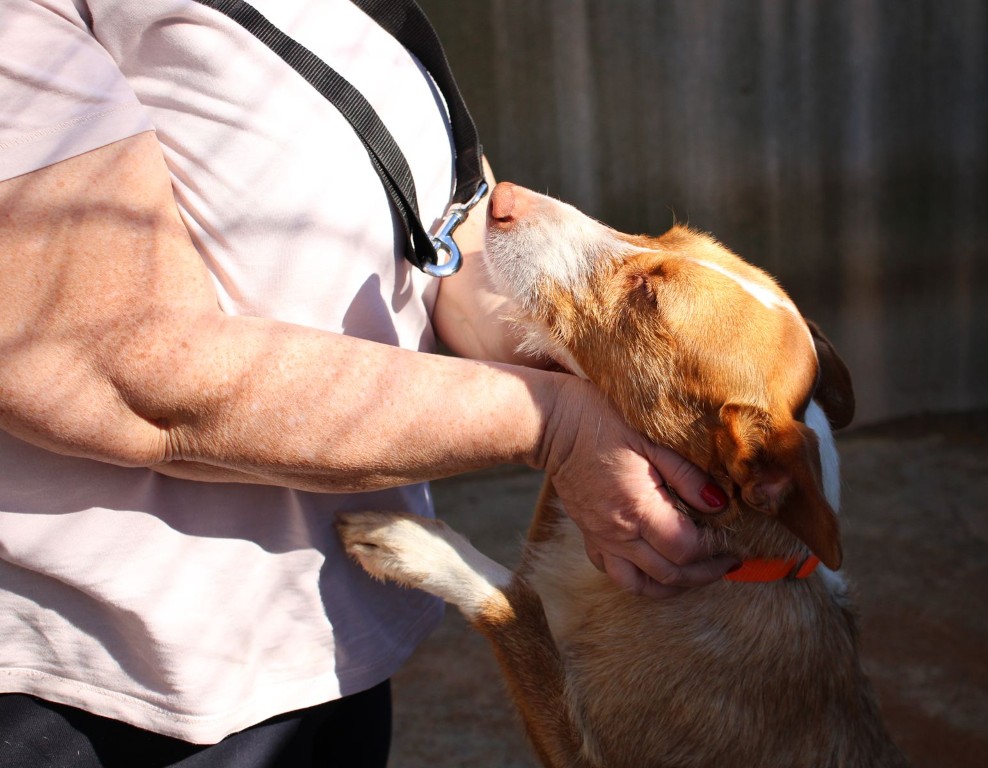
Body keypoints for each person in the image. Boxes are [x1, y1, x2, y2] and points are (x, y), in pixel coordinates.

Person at [0, 1, 736, 764]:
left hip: (333, 638)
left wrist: (605, 384)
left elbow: (449, 240)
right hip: (111, 684)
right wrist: (556, 424)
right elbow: (126, 369)